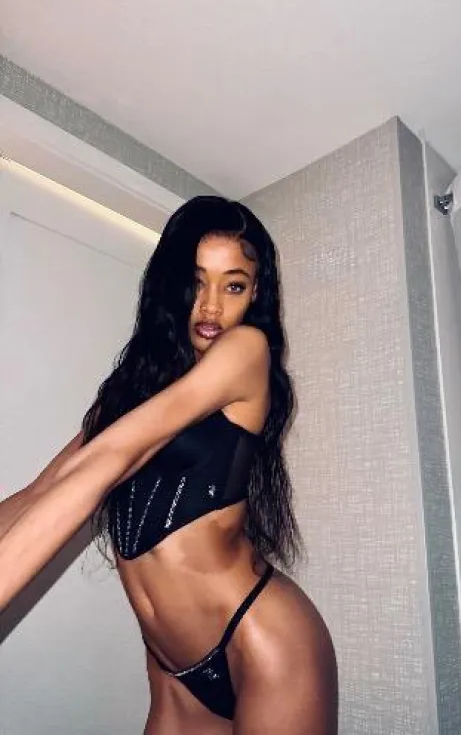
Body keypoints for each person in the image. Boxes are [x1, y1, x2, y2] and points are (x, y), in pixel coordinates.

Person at [0, 196, 338, 734]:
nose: (211, 306)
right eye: (196, 282)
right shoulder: (131, 388)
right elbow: (43, 490)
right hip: (172, 665)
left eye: (233, 286)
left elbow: (112, 458)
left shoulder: (247, 349)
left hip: (260, 639)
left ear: (256, 293)